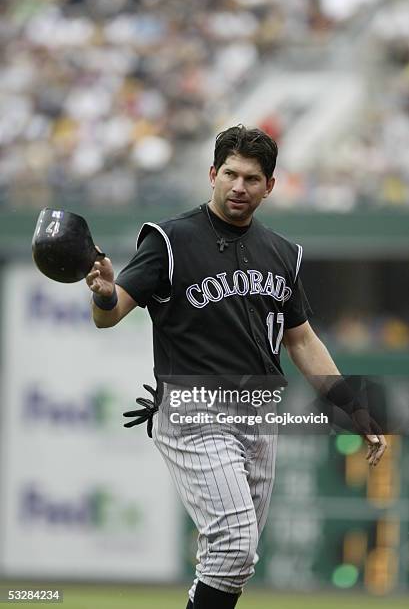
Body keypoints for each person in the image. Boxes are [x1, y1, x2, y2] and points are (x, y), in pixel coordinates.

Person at [85, 125, 386, 609]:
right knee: (234, 545)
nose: (238, 186)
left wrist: (351, 405)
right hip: (194, 409)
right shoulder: (171, 239)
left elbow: (303, 339)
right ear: (211, 174)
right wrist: (103, 294)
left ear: (269, 185)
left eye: (251, 178)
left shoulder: (283, 253)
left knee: (233, 565)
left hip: (259, 412)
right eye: (229, 174)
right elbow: (113, 311)